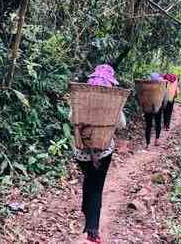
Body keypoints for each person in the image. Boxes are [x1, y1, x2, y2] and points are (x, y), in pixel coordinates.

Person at [74, 64, 126, 244]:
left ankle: (86, 211)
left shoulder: (81, 98)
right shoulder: (113, 101)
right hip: (103, 152)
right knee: (97, 187)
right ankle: (93, 232)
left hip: (81, 152)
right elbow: (121, 124)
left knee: (89, 180)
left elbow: (71, 118)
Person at [143, 72, 166, 148]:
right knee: (158, 123)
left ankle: (147, 144)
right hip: (158, 107)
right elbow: (165, 98)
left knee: (148, 125)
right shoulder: (161, 86)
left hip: (147, 108)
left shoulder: (146, 87)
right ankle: (157, 140)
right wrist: (163, 106)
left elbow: (141, 97)